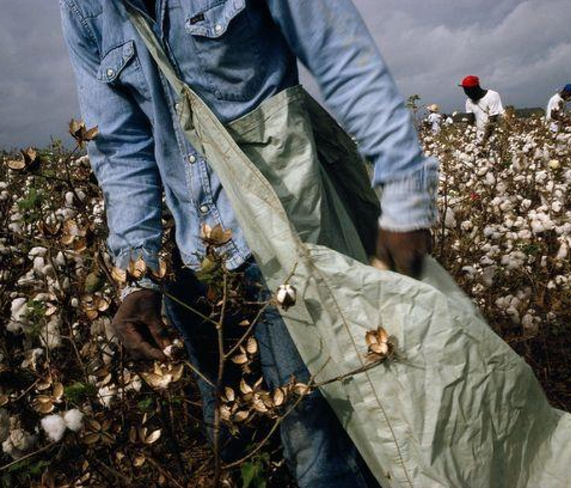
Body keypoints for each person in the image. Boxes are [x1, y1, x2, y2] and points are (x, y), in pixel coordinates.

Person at [59, 1, 437, 487]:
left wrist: (405, 195)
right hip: (195, 258)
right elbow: (119, 145)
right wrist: (139, 273)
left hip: (289, 234)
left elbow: (342, 55)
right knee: (234, 442)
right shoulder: (85, 10)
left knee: (321, 448)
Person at [459, 75, 505, 139]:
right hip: (480, 135)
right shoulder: (469, 101)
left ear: (476, 88)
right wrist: (465, 134)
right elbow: (470, 122)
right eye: (466, 91)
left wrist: (484, 141)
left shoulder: (492, 95)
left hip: (495, 134)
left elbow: (493, 120)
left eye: (469, 91)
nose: (467, 94)